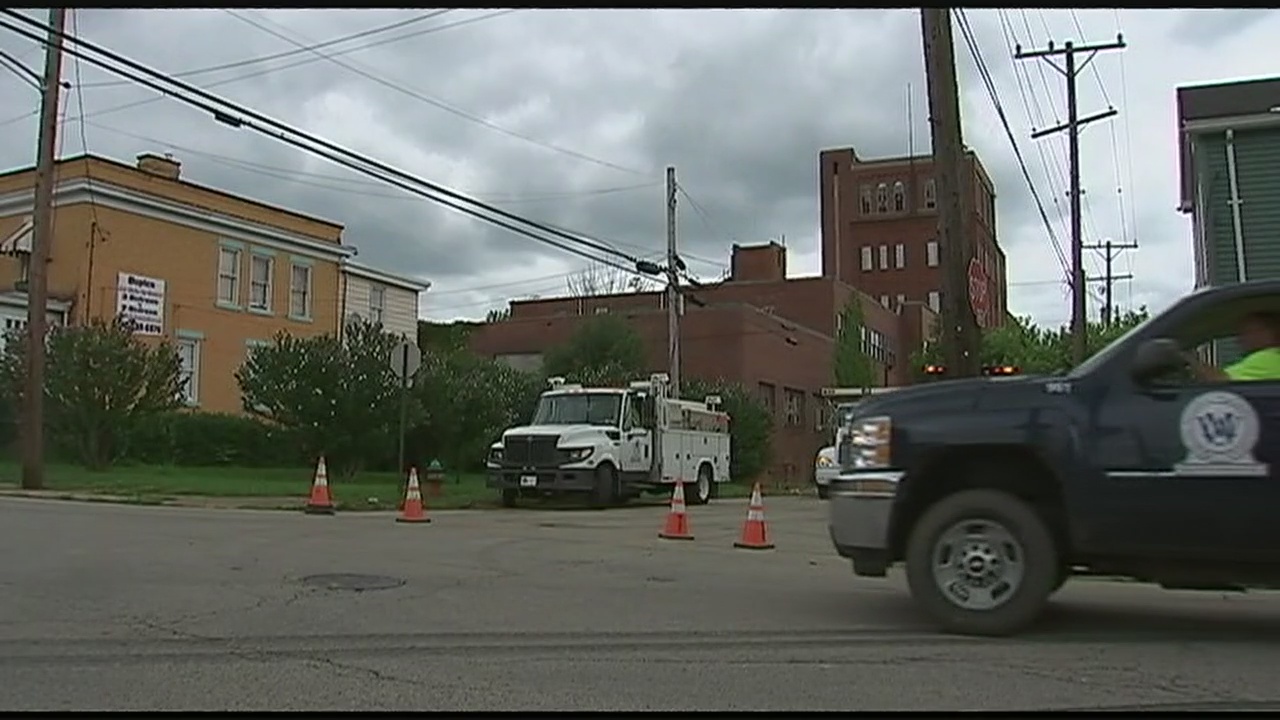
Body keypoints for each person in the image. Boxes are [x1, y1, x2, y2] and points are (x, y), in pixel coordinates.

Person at [1188, 310, 1280, 382]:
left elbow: (1219, 379)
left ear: (1270, 332)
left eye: (1248, 332)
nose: (1240, 339)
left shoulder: (1267, 357)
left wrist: (1189, 359)